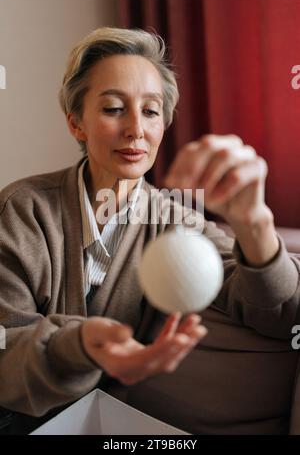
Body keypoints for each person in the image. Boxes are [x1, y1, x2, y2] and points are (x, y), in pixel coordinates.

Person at [0, 27, 299, 435]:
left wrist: (254, 221)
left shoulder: (175, 220)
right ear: (77, 124)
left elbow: (278, 311)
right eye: (112, 109)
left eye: (151, 111)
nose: (136, 130)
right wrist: (84, 345)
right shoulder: (24, 209)